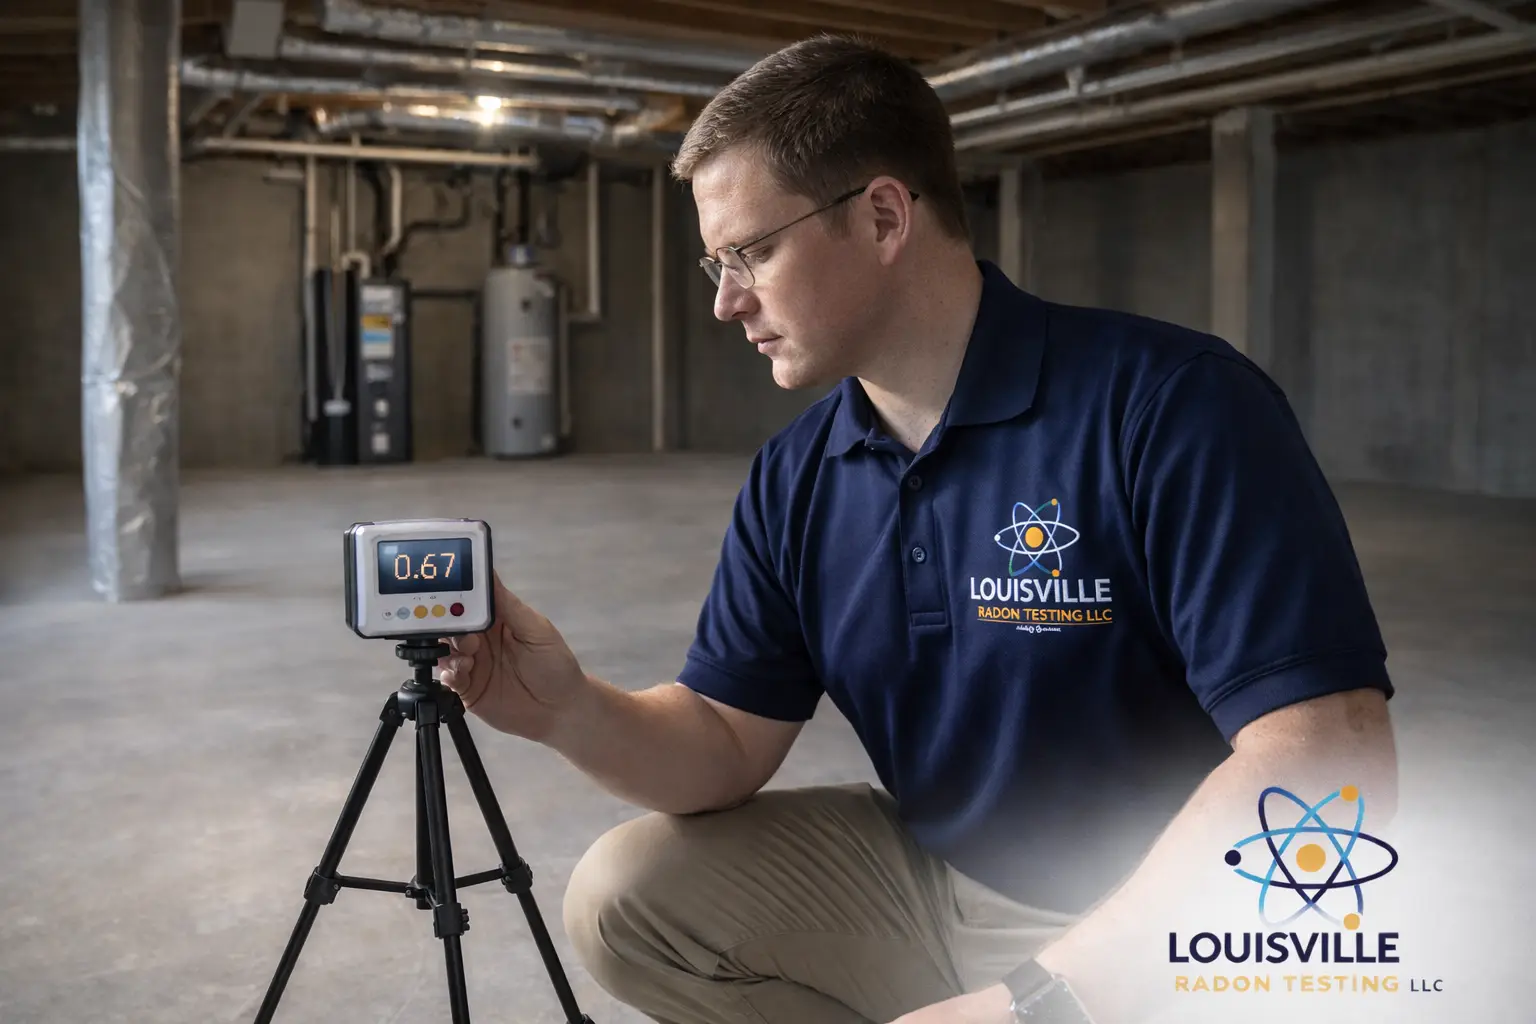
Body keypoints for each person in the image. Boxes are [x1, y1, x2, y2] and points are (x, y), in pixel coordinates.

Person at [437, 34, 1398, 1024]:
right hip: (944, 884)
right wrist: (562, 707)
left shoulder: (1171, 407)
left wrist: (1047, 1003)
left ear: (885, 215)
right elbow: (723, 739)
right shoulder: (798, 474)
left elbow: (1329, 759)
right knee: (630, 895)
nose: (726, 301)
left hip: (1176, 927)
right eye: (715, 262)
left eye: (752, 251)